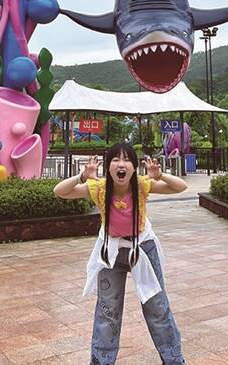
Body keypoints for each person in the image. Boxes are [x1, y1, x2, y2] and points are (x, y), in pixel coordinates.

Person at [54, 142, 187, 365]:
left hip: (142, 248)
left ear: (134, 167)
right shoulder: (100, 187)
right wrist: (82, 177)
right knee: (108, 310)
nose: (121, 164)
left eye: (127, 160)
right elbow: (59, 191)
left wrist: (160, 175)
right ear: (108, 167)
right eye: (115, 159)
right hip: (111, 252)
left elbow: (180, 187)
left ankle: (173, 360)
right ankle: (101, 361)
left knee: (157, 307)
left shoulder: (142, 185)